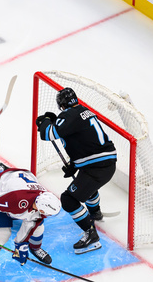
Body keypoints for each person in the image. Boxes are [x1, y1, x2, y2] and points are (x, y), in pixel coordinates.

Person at [35, 87, 117, 254]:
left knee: (68, 200)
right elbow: (83, 140)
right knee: (86, 187)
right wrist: (75, 164)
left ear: (61, 105)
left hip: (97, 168)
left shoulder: (70, 115)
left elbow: (50, 134)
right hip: (103, 164)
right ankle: (95, 213)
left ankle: (91, 234)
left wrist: (43, 122)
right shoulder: (83, 111)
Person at [0, 167, 61, 276]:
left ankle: (35, 248)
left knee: (38, 228)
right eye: (48, 213)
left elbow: (31, 225)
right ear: (41, 209)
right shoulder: (16, 199)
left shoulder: (42, 201)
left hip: (23, 178)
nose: (48, 216)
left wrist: (21, 245)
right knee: (2, 234)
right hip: (7, 187)